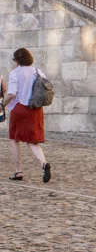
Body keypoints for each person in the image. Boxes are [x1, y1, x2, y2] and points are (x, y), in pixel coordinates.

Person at [4, 48, 50, 183]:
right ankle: (44, 163)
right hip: (36, 109)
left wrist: (2, 105)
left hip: (20, 109)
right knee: (32, 141)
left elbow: (11, 94)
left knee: (14, 138)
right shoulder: (38, 72)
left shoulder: (15, 73)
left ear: (17, 60)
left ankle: (18, 171)